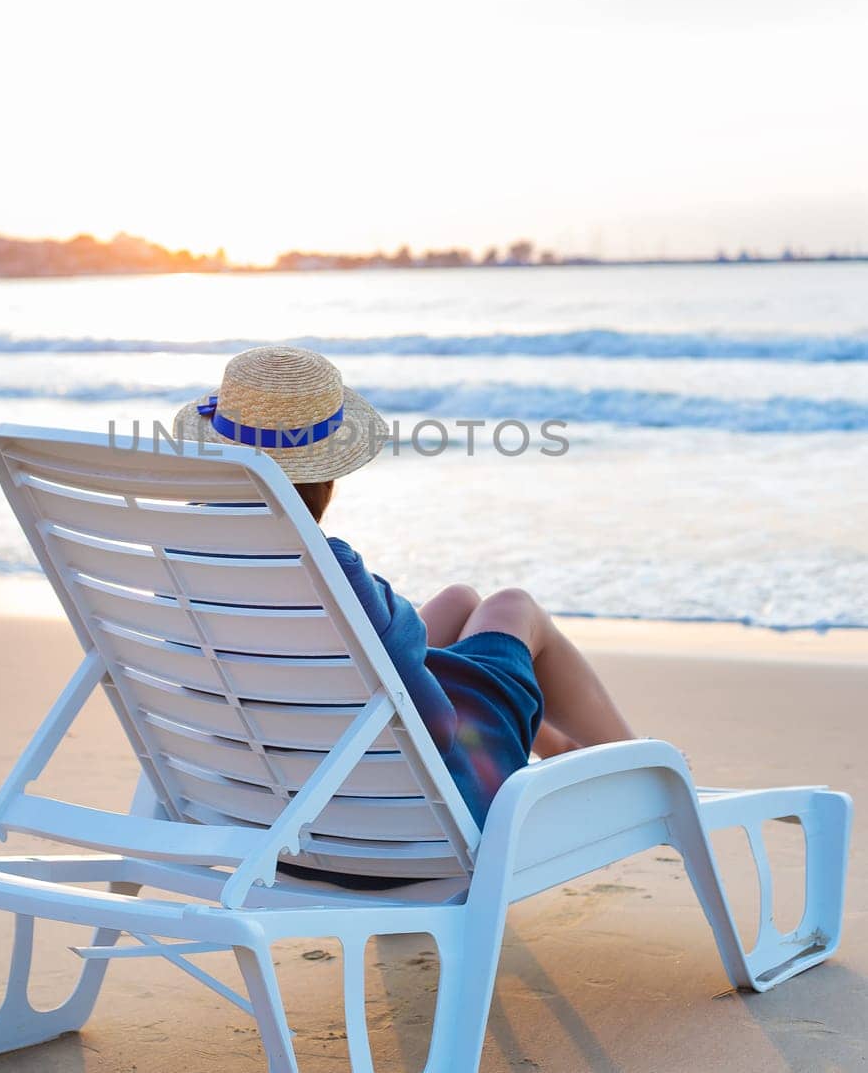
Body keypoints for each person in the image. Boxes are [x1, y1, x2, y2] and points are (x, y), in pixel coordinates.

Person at [174, 345, 635, 833]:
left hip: (256, 806)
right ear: (325, 479)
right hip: (395, 822)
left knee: (458, 600)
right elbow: (435, 726)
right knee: (511, 607)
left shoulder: (179, 565)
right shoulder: (333, 573)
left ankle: (571, 748)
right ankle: (632, 769)